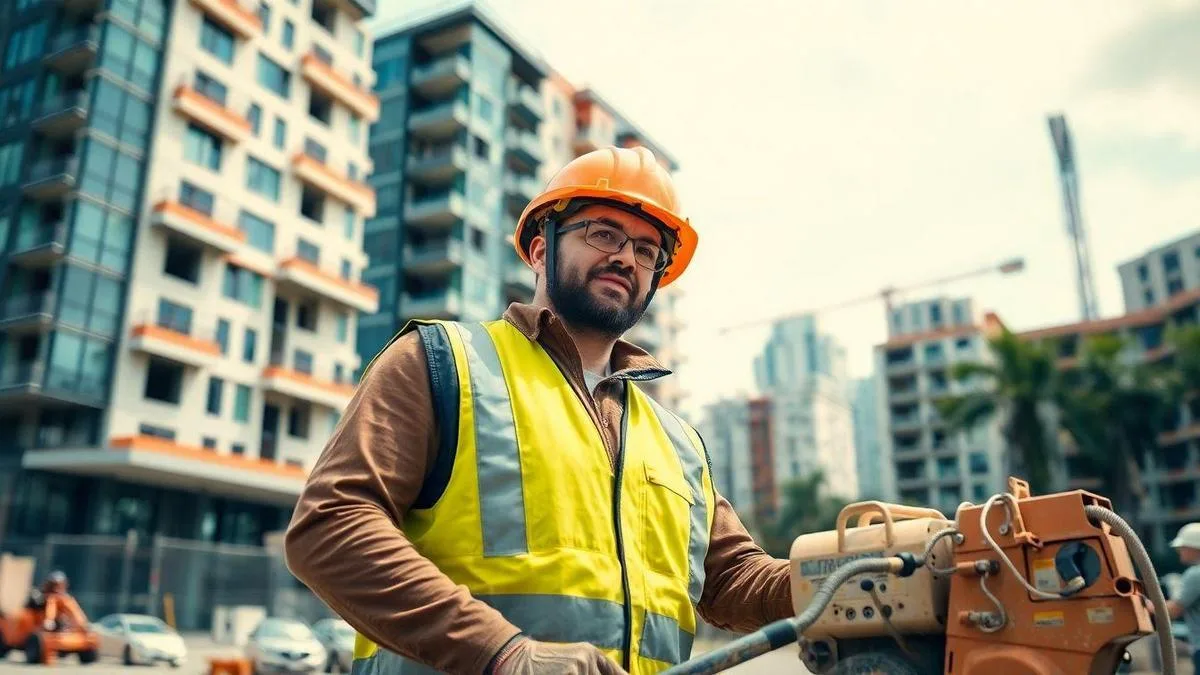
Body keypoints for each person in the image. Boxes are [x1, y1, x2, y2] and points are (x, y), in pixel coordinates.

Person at [284, 146, 794, 675]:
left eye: (648, 251)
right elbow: (330, 527)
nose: (626, 258)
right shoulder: (442, 364)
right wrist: (502, 653)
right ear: (536, 249)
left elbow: (735, 579)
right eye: (603, 234)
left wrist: (838, 575)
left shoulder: (678, 442)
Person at [1167, 523, 1200, 673]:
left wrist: (1143, 604)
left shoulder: (1194, 574)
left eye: (1182, 547)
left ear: (1194, 547)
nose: (1179, 551)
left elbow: (1172, 611)